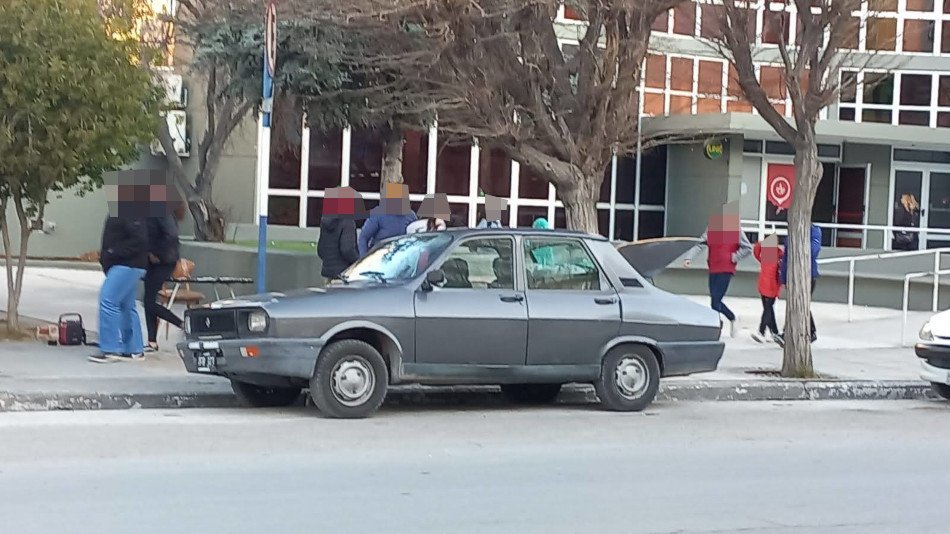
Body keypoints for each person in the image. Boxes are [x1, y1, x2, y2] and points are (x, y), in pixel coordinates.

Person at [89, 188, 149, 363]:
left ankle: (110, 349)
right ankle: (134, 349)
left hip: (126, 264)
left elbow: (139, 240)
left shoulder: (130, 212)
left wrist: (112, 252)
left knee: (107, 301)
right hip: (128, 264)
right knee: (126, 305)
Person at [683, 208, 753, 337]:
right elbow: (700, 244)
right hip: (713, 267)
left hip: (726, 269)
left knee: (716, 300)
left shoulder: (735, 230)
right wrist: (689, 257)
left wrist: (734, 257)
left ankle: (719, 325)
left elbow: (748, 248)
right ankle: (725, 321)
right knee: (714, 300)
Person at [143, 197, 185, 353]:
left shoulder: (161, 211)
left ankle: (181, 324)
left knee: (148, 302)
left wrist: (157, 254)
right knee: (148, 299)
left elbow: (171, 235)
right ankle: (152, 341)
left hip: (163, 260)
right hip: (153, 261)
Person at [776, 223, 822, 345]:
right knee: (793, 304)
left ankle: (809, 331)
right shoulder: (791, 233)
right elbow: (786, 257)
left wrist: (799, 242)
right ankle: (789, 333)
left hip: (808, 275)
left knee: (802, 304)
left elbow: (814, 250)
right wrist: (784, 278)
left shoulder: (814, 231)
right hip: (792, 275)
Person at [751, 234, 783, 343]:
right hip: (771, 286)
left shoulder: (766, 254)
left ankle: (762, 331)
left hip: (767, 285)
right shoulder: (778, 254)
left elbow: (756, 250)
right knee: (768, 309)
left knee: (767, 309)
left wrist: (761, 243)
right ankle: (774, 332)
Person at [318, 208, 360, 284]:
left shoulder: (325, 220)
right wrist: (358, 261)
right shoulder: (348, 221)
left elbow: (320, 249)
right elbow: (347, 249)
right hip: (344, 274)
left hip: (328, 274)